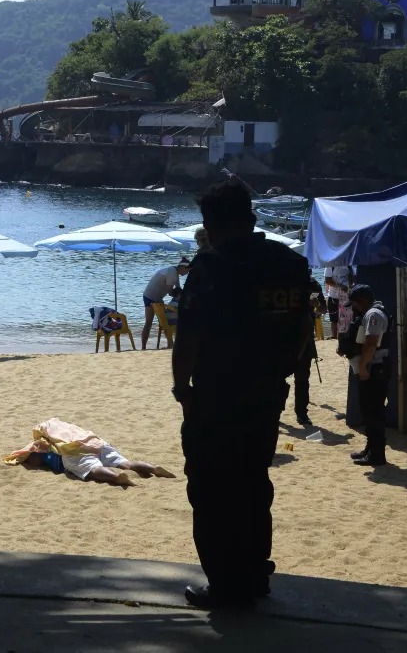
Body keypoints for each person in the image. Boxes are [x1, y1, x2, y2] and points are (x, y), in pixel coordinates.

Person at [172, 181, 312, 609]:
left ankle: (225, 584)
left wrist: (183, 389)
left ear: (212, 225)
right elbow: (304, 328)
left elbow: (189, 336)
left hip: (217, 393)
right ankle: (254, 574)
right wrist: (281, 370)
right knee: (253, 482)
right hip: (266, 391)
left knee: (212, 489)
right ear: (250, 218)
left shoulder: (212, 265)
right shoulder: (289, 264)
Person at [338, 284, 391, 467]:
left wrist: (362, 367)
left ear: (362, 301)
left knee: (373, 412)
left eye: (355, 305)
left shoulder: (373, 315)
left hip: (375, 368)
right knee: (369, 412)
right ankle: (371, 449)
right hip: (374, 367)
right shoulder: (371, 313)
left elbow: (370, 344)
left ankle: (377, 455)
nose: (354, 309)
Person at [21, 447, 176, 487]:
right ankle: (153, 468)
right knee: (126, 463)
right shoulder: (70, 432)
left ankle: (116, 477)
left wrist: (27, 456)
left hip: (71, 454)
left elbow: (35, 461)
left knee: (92, 469)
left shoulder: (44, 448)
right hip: (96, 443)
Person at [292, 280, 325, 426]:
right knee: (276, 378)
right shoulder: (284, 282)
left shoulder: (313, 284)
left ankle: (302, 413)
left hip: (305, 337)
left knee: (303, 378)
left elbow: (323, 308)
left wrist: (316, 304)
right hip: (283, 336)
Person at [141, 258, 190, 348]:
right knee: (149, 323)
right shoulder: (171, 273)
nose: (187, 273)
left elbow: (178, 289)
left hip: (158, 299)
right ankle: (144, 347)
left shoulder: (174, 273)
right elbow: (171, 292)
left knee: (164, 323)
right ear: (183, 267)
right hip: (149, 297)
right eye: (187, 270)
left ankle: (170, 344)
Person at [324, 265, 352, 339]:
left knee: (346, 318)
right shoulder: (330, 265)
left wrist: (350, 288)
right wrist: (340, 286)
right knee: (334, 319)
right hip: (333, 296)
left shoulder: (349, 265)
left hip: (346, 297)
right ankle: (334, 337)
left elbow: (352, 278)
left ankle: (345, 336)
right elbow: (328, 281)